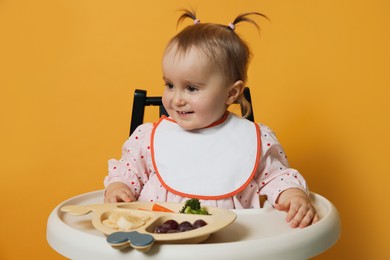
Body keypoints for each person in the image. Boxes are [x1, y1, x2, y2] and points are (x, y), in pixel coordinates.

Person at [104, 10, 319, 228]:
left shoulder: (254, 139)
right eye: (169, 85)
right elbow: (129, 171)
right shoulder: (149, 137)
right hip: (160, 240)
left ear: (231, 93)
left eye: (191, 88)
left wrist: (293, 196)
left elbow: (275, 177)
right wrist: (119, 187)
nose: (176, 99)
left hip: (231, 243)